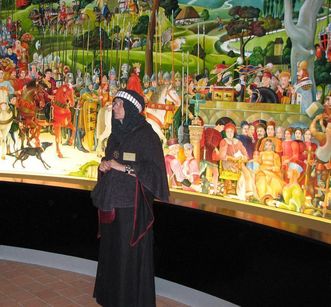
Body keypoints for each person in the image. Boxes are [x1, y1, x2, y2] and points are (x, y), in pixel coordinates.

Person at [91, 89, 169, 307]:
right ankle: (111, 297)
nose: (113, 107)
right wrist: (104, 166)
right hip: (111, 203)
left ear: (130, 108)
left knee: (127, 254)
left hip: (131, 208)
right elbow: (110, 160)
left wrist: (124, 167)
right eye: (114, 103)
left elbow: (155, 172)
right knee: (112, 251)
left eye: (118, 104)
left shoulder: (147, 136)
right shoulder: (115, 136)